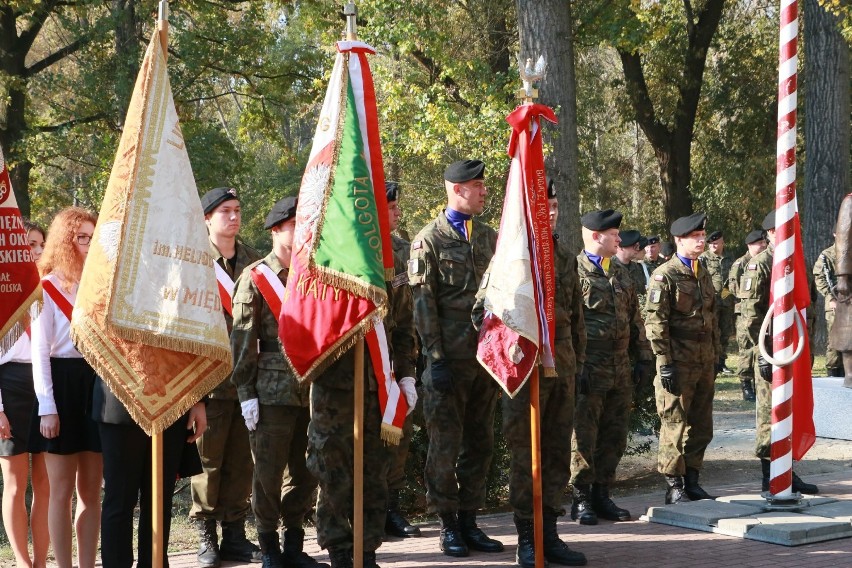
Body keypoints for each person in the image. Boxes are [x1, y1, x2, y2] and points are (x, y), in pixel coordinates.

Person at [472, 180, 587, 567]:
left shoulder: (565, 256)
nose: (551, 212)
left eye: (555, 205)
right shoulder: (508, 260)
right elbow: (481, 313)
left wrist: (577, 365)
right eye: (544, 205)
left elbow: (576, 318)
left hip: (561, 368)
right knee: (526, 456)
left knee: (556, 453)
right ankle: (526, 535)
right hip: (523, 373)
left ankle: (549, 533)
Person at [306, 213, 417, 568]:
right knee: (333, 470)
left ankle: (366, 549)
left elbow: (403, 325)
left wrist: (407, 376)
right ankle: (339, 549)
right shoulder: (324, 257)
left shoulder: (392, 261)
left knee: (375, 472)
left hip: (379, 386)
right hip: (334, 388)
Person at [408, 159, 501, 558]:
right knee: (444, 446)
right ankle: (446, 524)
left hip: (486, 358)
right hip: (448, 360)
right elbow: (422, 303)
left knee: (480, 443)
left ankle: (469, 520)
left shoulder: (491, 238)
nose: (484, 192)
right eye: (478, 186)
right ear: (457, 189)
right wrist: (435, 357)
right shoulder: (428, 240)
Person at [230, 196, 327, 568]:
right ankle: (268, 544)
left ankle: (293, 544)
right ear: (275, 230)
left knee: (306, 473)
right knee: (267, 476)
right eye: (293, 225)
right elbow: (242, 339)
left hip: (311, 390)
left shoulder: (313, 274)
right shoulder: (255, 278)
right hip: (269, 392)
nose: (301, 231)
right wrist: (245, 392)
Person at [191, 186, 263, 567]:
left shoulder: (254, 260)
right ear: (207, 218)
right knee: (209, 461)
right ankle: (206, 533)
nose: (234, 218)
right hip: (209, 380)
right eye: (225, 212)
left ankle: (235, 532)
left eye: (237, 210)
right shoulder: (192, 260)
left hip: (248, 380)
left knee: (242, 461)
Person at [29, 207, 102, 568]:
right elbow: (40, 352)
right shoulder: (46, 287)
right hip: (60, 383)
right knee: (60, 492)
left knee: (91, 492)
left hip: (95, 382)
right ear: (65, 240)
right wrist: (47, 406)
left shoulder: (100, 285)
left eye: (92, 236)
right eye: (81, 237)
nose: (88, 244)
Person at [571, 210, 653, 525]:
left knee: (615, 434)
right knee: (584, 435)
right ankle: (581, 498)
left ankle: (602, 494)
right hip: (590, 366)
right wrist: (578, 366)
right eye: (614, 234)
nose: (620, 239)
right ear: (596, 236)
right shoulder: (575, 272)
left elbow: (635, 318)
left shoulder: (620, 273)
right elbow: (568, 323)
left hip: (619, 366)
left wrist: (643, 356)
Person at [738, 212, 819, 494]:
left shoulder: (795, 263)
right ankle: (768, 475)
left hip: (793, 350)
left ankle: (787, 470)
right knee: (769, 414)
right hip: (770, 351)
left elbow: (807, 307)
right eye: (783, 230)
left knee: (791, 409)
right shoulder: (760, 265)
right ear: (770, 233)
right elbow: (751, 317)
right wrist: (759, 354)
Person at [644, 212, 720, 504]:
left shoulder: (704, 272)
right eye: (695, 237)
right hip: (678, 360)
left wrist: (715, 355)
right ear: (679, 241)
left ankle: (692, 479)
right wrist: (664, 363)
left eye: (703, 236)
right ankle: (674, 484)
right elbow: (656, 322)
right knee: (675, 420)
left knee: (702, 424)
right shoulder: (665, 275)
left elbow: (712, 317)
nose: (701, 241)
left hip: (703, 359)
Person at [94, 376, 207, 568]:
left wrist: (198, 400)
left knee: (159, 499)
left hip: (171, 400)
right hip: (119, 400)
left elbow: (195, 345)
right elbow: (88, 346)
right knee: (119, 498)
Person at [0, 220, 50, 568]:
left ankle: (42, 560)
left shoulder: (52, 290)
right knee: (17, 484)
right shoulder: (3, 293)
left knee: (47, 483)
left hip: (46, 385)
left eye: (38, 244)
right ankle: (22, 560)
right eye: (27, 244)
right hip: (10, 385)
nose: (33, 251)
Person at [382, 182, 422, 540]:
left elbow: (406, 319)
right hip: (358, 368)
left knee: (398, 437)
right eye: (391, 208)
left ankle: (390, 510)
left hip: (392, 363)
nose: (397, 214)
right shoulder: (349, 251)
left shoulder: (400, 250)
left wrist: (408, 374)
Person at [730, 230, 766, 401]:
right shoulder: (741, 263)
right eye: (759, 243)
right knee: (746, 349)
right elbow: (731, 287)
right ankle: (746, 384)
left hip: (759, 311)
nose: (763, 246)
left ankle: (759, 383)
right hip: (744, 312)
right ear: (750, 245)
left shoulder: (765, 261)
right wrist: (748, 295)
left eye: (763, 242)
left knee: (760, 347)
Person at [700, 231, 735, 374]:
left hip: (726, 301)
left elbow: (732, 278)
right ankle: (711, 361)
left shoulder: (729, 257)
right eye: (711, 243)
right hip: (710, 302)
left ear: (722, 242)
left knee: (725, 333)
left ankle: (721, 361)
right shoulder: (704, 258)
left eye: (716, 242)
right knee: (711, 332)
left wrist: (728, 293)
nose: (714, 245)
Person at [813, 238, 843, 377]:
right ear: (835, 234)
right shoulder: (827, 255)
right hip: (835, 303)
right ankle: (833, 371)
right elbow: (820, 279)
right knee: (835, 339)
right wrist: (830, 297)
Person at [832, 194, 852, 388]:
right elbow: (843, 241)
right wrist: (843, 276)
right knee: (848, 329)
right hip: (851, 278)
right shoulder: (850, 202)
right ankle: (850, 374)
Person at [614, 229, 647, 296]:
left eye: (638, 246)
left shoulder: (637, 267)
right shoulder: (609, 268)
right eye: (635, 247)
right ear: (621, 248)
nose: (638, 250)